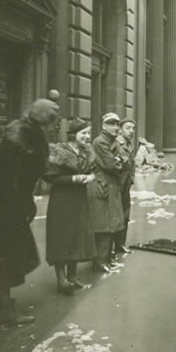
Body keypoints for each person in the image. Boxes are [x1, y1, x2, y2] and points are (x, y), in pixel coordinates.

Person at [0, 99, 59, 323]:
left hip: (10, 200)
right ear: (43, 120)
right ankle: (4, 309)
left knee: (11, 254)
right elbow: (16, 175)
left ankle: (4, 304)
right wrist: (22, 203)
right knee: (9, 254)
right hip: (8, 204)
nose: (54, 127)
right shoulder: (26, 136)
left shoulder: (27, 133)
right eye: (52, 122)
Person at [44, 117, 96, 294]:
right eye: (84, 133)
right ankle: (61, 279)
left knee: (77, 235)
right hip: (62, 200)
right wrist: (73, 179)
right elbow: (49, 177)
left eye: (89, 133)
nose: (87, 136)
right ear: (73, 135)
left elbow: (92, 171)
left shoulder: (87, 152)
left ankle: (72, 276)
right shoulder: (59, 152)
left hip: (79, 200)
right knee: (61, 238)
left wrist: (91, 177)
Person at [88, 112, 126, 272]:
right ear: (104, 125)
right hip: (103, 187)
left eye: (117, 124)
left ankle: (106, 259)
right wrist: (118, 160)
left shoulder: (110, 141)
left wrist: (119, 160)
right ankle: (100, 262)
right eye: (112, 124)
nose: (116, 127)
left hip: (110, 186)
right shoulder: (101, 142)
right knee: (104, 226)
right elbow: (113, 165)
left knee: (111, 224)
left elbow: (125, 159)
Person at [112, 118, 138, 256]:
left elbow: (132, 163)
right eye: (128, 128)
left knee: (125, 213)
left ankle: (120, 244)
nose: (131, 131)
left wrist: (132, 178)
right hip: (117, 182)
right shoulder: (116, 143)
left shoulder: (130, 144)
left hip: (126, 182)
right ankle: (109, 248)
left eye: (133, 128)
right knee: (114, 214)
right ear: (120, 129)